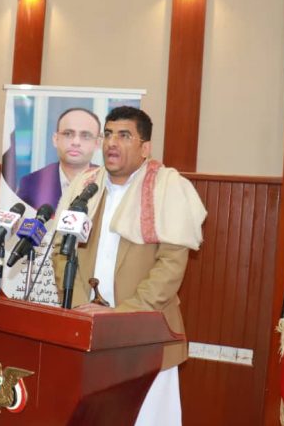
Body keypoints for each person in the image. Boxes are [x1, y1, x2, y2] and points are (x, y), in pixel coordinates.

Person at [52, 106, 207, 426]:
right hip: (89, 330)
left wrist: (121, 316)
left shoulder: (168, 187)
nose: (112, 143)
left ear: (144, 147)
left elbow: (170, 267)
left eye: (124, 136)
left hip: (146, 335)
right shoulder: (85, 186)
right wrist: (81, 306)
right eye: (108, 134)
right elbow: (61, 252)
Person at [16, 107, 101, 210]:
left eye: (85, 136)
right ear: (56, 139)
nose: (76, 142)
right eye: (68, 134)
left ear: (97, 143)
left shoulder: (106, 183)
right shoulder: (30, 184)